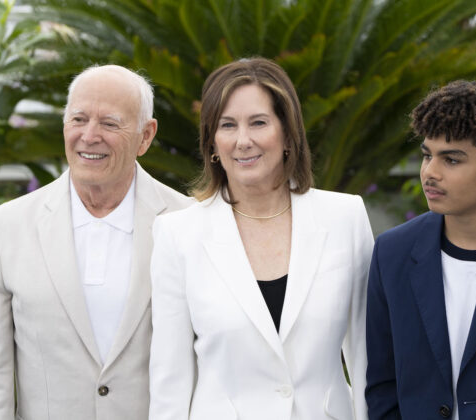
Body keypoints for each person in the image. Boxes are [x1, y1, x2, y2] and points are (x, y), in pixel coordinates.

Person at [148, 57, 374, 420]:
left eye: (258, 122)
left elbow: (367, 357)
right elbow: (169, 380)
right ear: (211, 143)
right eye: (227, 125)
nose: (243, 141)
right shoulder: (178, 235)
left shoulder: (345, 218)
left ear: (287, 133)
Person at [0, 65, 192, 419]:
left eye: (110, 123)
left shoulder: (188, 223)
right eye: (78, 119)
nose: (89, 135)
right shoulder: (6, 228)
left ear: (146, 136)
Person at [365, 80, 476, 420]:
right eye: (427, 155)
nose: (430, 172)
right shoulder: (392, 253)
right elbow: (383, 384)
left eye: (452, 160)